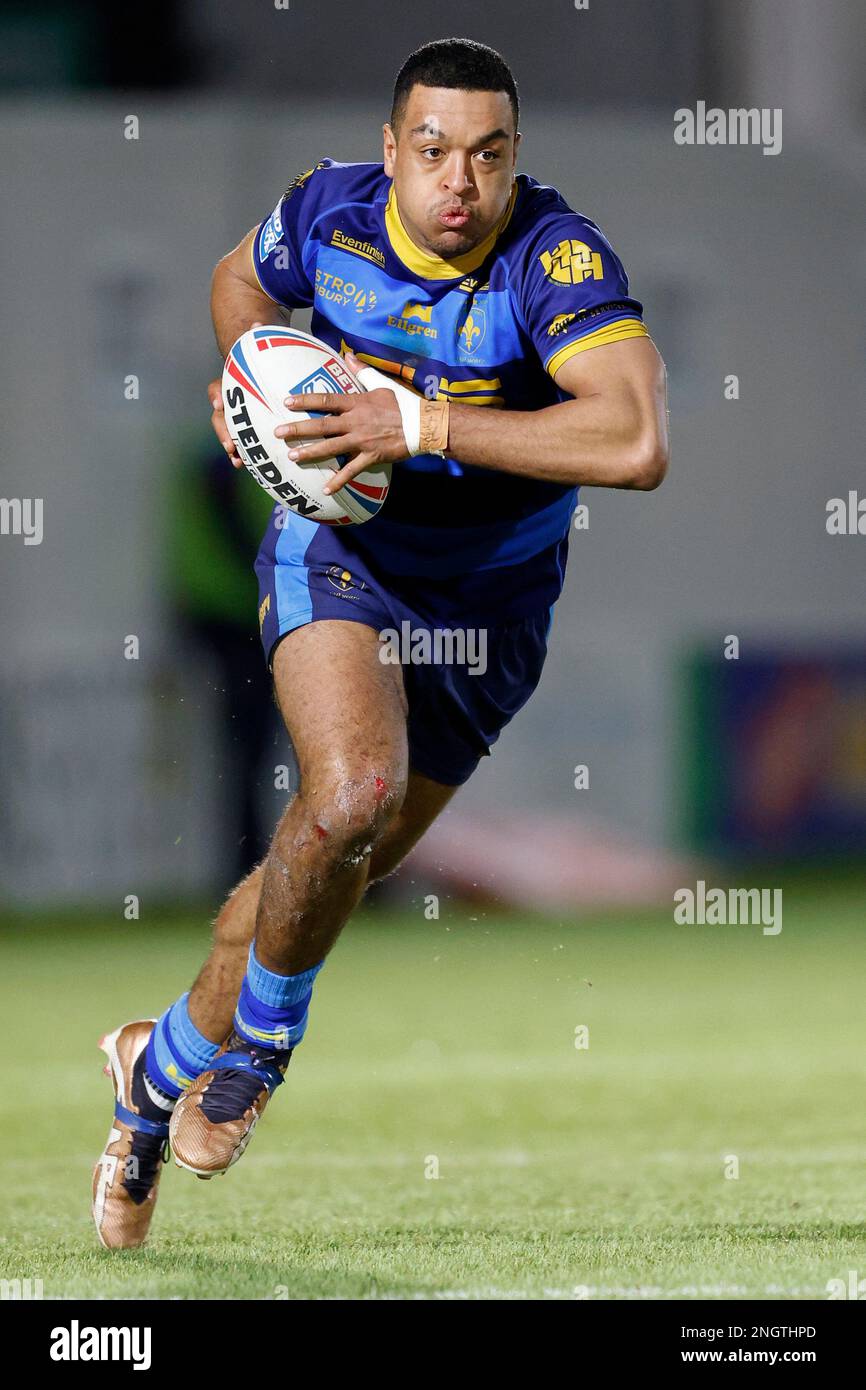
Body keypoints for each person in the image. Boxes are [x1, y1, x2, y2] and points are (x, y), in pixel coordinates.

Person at [92, 36, 669, 1249]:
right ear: (392, 147)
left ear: (515, 161)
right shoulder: (328, 211)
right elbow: (237, 286)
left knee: (321, 868)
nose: (460, 182)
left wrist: (422, 421)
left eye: (489, 155)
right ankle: (257, 1053)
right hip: (340, 554)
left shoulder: (551, 259)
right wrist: (244, 371)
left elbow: (630, 444)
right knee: (346, 796)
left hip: (491, 612)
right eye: (432, 150)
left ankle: (152, 1074)